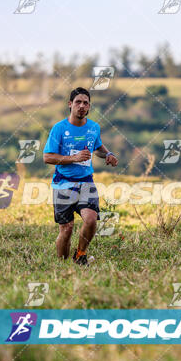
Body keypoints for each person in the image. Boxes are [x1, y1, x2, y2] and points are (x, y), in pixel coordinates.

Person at [43, 87, 118, 265]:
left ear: (89, 106)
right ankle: (62, 266)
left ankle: (80, 255)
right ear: (70, 104)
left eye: (85, 103)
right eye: (78, 102)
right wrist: (73, 158)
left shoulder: (94, 127)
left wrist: (108, 154)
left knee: (91, 220)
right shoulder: (59, 129)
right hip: (63, 184)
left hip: (86, 182)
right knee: (66, 229)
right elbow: (47, 157)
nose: (82, 106)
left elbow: (97, 148)